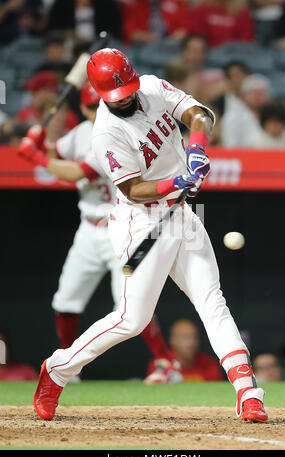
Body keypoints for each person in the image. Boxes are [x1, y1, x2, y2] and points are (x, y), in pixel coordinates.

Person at [18, 47, 268, 423]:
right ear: (102, 95)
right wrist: (176, 180)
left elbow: (200, 114)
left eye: (129, 90)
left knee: (212, 300)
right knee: (132, 319)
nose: (128, 99)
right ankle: (58, 368)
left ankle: (248, 393)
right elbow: (132, 190)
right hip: (141, 223)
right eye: (118, 96)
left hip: (181, 215)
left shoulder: (150, 87)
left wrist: (196, 149)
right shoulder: (105, 132)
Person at [18, 81, 183, 385]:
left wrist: (34, 157)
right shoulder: (81, 132)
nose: (98, 111)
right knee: (66, 300)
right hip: (88, 228)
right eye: (91, 107)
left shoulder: (111, 132)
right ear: (82, 108)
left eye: (101, 105)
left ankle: (166, 363)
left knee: (131, 305)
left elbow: (78, 172)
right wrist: (39, 139)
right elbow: (59, 151)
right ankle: (70, 366)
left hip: (121, 224)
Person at [146, 319, 224, 382]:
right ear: (172, 340)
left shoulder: (209, 364)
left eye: (194, 337)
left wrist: (177, 378)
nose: (190, 343)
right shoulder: (161, 362)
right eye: (184, 338)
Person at [220, 73, 272, 147]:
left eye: (261, 93)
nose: (257, 97)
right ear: (244, 95)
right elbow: (230, 146)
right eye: (253, 93)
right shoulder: (232, 117)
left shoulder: (275, 117)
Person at [188, 0, 255, 48]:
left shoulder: (242, 12)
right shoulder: (201, 9)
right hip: (206, 53)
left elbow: (246, 40)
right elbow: (196, 35)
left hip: (233, 55)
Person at [120, 0, 189, 45]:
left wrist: (174, 37)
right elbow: (130, 33)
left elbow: (185, 28)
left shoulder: (174, 3)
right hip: (144, 45)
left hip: (170, 44)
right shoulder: (133, 5)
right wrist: (148, 37)